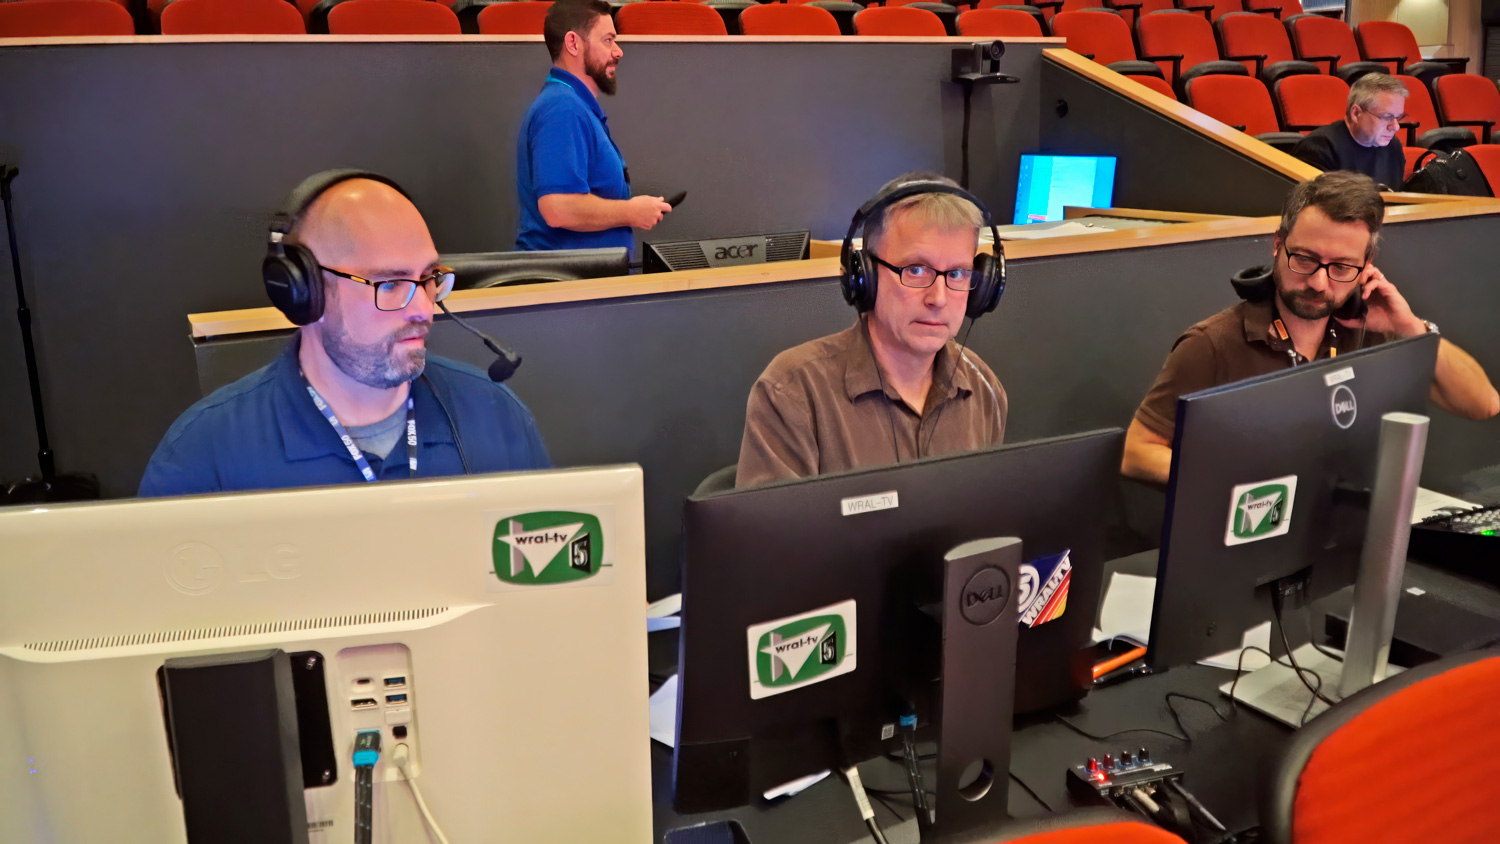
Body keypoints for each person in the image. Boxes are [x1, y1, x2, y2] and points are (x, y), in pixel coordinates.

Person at [140, 171, 550, 496]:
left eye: (428, 278)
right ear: (306, 294)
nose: (424, 308)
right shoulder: (202, 457)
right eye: (389, 284)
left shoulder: (498, 418)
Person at [1122, 171, 1498, 485]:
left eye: (1341, 267)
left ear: (1367, 265)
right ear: (1277, 245)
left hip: (1350, 535)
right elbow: (1137, 451)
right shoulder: (1213, 344)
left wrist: (1411, 327)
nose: (1319, 283)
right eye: (1305, 259)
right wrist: (1235, 481)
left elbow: (1483, 404)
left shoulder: (1376, 335)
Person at [736, 174, 1009, 488]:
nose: (939, 298)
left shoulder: (985, 390)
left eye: (958, 273)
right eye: (916, 270)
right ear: (864, 276)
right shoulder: (792, 392)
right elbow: (772, 535)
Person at [514, 0, 671, 252]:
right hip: (567, 286)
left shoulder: (573, 105)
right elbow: (558, 208)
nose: (618, 51)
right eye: (607, 40)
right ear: (573, 43)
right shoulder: (562, 109)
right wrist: (631, 212)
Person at [1292, 73, 1408, 189]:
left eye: (1398, 117)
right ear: (1356, 113)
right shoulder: (1318, 148)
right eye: (1387, 117)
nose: (1395, 126)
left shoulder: (1393, 146)